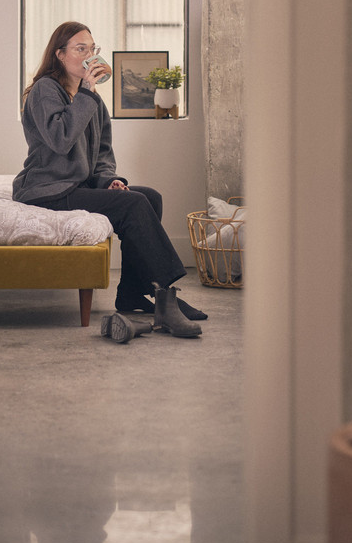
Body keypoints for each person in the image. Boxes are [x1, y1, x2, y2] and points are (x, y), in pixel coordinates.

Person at [13, 21, 207, 339]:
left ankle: (131, 292)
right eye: (80, 49)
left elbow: (103, 155)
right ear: (60, 55)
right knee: (133, 205)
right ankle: (166, 298)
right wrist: (87, 94)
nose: (90, 56)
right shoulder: (45, 90)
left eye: (93, 49)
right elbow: (60, 140)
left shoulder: (94, 102)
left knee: (149, 196)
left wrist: (108, 181)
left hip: (78, 186)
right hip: (46, 188)